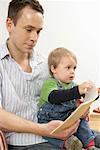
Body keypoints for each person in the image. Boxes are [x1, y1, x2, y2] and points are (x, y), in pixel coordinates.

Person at [0, 0, 81, 149]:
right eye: (29, 29)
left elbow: (60, 95)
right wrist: (44, 130)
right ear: (9, 25)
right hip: (24, 142)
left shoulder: (46, 64)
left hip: (57, 133)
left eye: (38, 31)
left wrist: (79, 107)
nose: (34, 38)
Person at [37, 47, 99, 150]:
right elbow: (54, 97)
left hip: (68, 118)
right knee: (51, 134)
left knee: (82, 122)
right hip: (50, 120)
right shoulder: (50, 83)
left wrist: (92, 94)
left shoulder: (72, 85)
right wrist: (77, 91)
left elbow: (79, 96)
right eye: (68, 67)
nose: (72, 72)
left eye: (74, 68)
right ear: (54, 69)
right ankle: (68, 143)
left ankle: (90, 144)